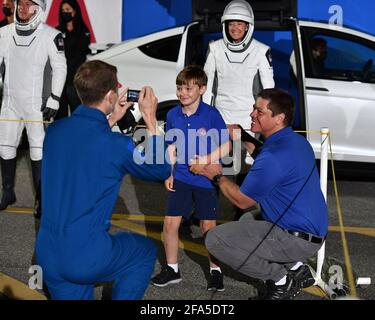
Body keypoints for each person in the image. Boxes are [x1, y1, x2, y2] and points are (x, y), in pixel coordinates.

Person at [35, 60, 171, 300]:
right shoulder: (115, 145)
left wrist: (112, 118)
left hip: (48, 254)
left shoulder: (55, 131)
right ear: (110, 96)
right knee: (143, 251)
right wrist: (150, 119)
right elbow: (159, 169)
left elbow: (86, 143)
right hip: (85, 255)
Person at [199, 88, 328, 300]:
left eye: (259, 112)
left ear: (279, 118)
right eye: (253, 109)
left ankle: (280, 281)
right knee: (248, 220)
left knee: (215, 240)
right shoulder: (295, 142)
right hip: (312, 232)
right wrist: (244, 136)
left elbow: (241, 200)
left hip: (295, 238)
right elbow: (265, 156)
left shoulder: (273, 156)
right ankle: (297, 268)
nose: (252, 114)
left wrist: (217, 175)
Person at [151, 65, 231, 291]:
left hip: (206, 180)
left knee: (208, 227)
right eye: (179, 88)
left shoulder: (211, 114)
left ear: (202, 89)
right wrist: (170, 172)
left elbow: (226, 145)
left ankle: (216, 270)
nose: (182, 93)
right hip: (182, 178)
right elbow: (172, 147)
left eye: (188, 88)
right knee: (170, 224)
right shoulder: (172, 114)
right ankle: (172, 269)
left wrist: (205, 160)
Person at [0, 0, 67, 212]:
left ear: (39, 9)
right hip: (10, 102)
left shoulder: (51, 35)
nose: (22, 7)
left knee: (37, 151)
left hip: (35, 105)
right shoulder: (5, 32)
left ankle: (41, 200)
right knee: (5, 146)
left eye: (29, 4)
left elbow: (60, 68)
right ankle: (8, 192)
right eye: (21, 3)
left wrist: (54, 98)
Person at [54, 0, 90, 120]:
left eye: (68, 10)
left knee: (77, 113)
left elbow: (80, 55)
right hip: (59, 80)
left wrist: (68, 72)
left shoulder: (83, 31)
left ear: (74, 12)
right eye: (63, 10)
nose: (65, 13)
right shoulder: (56, 31)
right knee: (60, 115)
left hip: (75, 79)